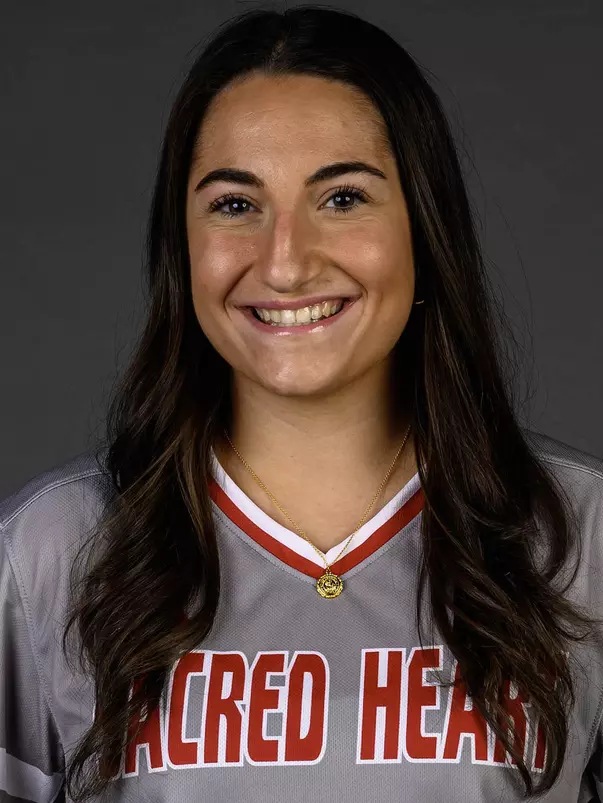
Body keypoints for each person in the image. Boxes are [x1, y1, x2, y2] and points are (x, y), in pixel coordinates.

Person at [1, 5, 602, 802]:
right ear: (181, 245)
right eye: (235, 204)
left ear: (424, 227)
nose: (284, 263)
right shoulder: (48, 555)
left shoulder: (581, 538)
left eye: (343, 198)